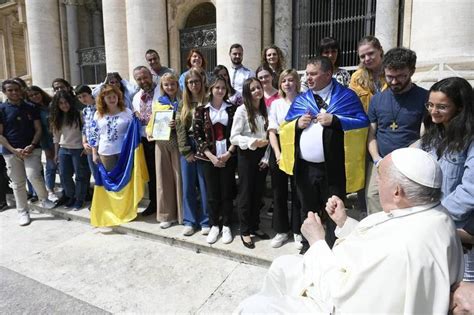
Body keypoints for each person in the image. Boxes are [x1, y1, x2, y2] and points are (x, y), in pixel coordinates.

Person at [236, 148, 464, 314]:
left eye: (380, 177)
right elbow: (376, 243)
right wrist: (345, 223)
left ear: (397, 191)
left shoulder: (403, 248)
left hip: (337, 302)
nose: (376, 182)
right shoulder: (434, 214)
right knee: (281, 266)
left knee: (252, 308)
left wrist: (317, 243)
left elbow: (341, 295)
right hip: (347, 280)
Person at [279, 56, 368, 252]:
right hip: (305, 169)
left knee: (334, 210)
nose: (307, 78)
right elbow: (284, 126)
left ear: (328, 74)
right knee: (308, 209)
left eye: (313, 74)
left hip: (333, 168)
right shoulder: (301, 99)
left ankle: (334, 247)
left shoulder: (347, 96)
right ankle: (310, 247)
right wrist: (296, 125)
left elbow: (363, 122)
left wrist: (336, 120)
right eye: (306, 74)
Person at [420, 77, 474, 281]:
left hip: (462, 231)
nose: (433, 111)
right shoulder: (434, 133)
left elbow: (470, 190)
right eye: (430, 105)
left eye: (442, 107)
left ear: (460, 108)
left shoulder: (469, 138)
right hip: (435, 227)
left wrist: (437, 214)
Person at [366, 47, 428, 214]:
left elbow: (425, 135)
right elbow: (371, 134)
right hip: (380, 161)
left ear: (412, 71)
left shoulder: (425, 98)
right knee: (373, 196)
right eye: (389, 77)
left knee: (405, 202)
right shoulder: (377, 99)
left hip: (409, 161)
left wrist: (405, 158)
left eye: (400, 76)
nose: (394, 82)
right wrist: (377, 158)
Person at [0, 80, 55, 226]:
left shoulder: (30, 107)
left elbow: (38, 129)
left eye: (16, 89)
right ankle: (23, 211)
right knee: (18, 183)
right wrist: (13, 150)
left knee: (34, 175)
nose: (14, 93)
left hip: (32, 149)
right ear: (5, 92)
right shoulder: (2, 109)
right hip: (11, 152)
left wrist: (32, 145)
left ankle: (44, 199)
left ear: (21, 90)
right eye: (10, 90)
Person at [89, 85, 146, 227]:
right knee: (110, 184)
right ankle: (112, 211)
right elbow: (94, 135)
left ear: (118, 97)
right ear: (103, 99)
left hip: (124, 154)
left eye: (114, 96)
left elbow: (135, 129)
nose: (112, 99)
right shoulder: (98, 114)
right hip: (105, 153)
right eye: (108, 97)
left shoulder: (127, 112)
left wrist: (138, 117)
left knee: (125, 183)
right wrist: (94, 153)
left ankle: (125, 210)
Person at [194, 75, 237, 244]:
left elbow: (236, 133)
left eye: (223, 88)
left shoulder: (232, 109)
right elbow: (197, 136)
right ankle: (214, 225)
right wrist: (211, 157)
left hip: (228, 156)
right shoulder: (201, 110)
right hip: (208, 158)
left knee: (227, 192)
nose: (220, 90)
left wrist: (228, 153)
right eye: (217, 87)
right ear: (211, 89)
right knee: (212, 194)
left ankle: (226, 225)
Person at [230, 77, 270, 249]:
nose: (257, 91)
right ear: (247, 92)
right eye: (252, 89)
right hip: (247, 155)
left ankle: (255, 225)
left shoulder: (265, 109)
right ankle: (245, 230)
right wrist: (253, 142)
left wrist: (266, 157)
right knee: (246, 193)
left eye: (258, 88)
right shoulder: (241, 110)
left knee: (258, 192)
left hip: (262, 155)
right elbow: (234, 137)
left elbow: (270, 136)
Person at [267, 69, 302, 249]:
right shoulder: (276, 105)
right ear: (279, 84)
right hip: (279, 149)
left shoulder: (304, 101)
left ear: (296, 82)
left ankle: (298, 230)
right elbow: (272, 131)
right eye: (283, 81)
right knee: (278, 192)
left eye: (290, 80)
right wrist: (278, 154)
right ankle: (281, 230)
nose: (287, 83)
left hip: (300, 150)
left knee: (298, 191)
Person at [145, 72, 183, 229]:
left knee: (179, 179)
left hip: (177, 144)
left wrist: (178, 124)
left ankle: (181, 215)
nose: (170, 87)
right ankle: (166, 215)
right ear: (162, 87)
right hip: (161, 144)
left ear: (177, 85)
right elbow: (151, 123)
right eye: (166, 85)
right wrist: (149, 132)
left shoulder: (183, 102)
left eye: (172, 84)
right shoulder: (158, 103)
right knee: (163, 180)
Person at [176, 68, 210, 236]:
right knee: (188, 184)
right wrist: (185, 151)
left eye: (196, 81)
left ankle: (206, 220)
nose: (194, 85)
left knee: (204, 185)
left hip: (205, 146)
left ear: (202, 82)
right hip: (189, 146)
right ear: (186, 84)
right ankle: (190, 221)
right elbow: (180, 128)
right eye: (190, 82)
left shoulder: (209, 100)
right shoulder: (183, 104)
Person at [50, 91, 88, 210]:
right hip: (63, 150)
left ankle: (79, 199)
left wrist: (85, 145)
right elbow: (56, 137)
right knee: (64, 175)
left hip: (78, 149)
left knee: (80, 175)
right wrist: (56, 153)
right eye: (61, 103)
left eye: (66, 102)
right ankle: (70, 196)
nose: (64, 105)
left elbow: (85, 131)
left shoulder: (79, 115)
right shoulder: (57, 117)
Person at [132, 66, 161, 216]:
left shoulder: (161, 90)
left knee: (163, 174)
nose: (143, 81)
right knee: (151, 174)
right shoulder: (137, 97)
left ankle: (166, 204)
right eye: (139, 79)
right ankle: (154, 203)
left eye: (145, 77)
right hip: (144, 141)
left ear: (151, 75)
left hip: (161, 140)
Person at [26, 86, 57, 201]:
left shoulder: (52, 104)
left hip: (60, 138)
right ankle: (50, 190)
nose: (35, 97)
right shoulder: (33, 109)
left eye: (36, 93)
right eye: (31, 96)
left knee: (61, 164)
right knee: (50, 164)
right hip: (45, 139)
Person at [349, 36, 387, 113]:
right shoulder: (356, 77)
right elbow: (351, 105)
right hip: (367, 122)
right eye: (362, 56)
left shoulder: (393, 73)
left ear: (380, 50)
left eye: (371, 53)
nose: (367, 59)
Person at [75, 85, 98, 182]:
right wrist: (84, 142)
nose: (82, 99)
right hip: (89, 146)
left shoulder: (99, 108)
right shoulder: (85, 110)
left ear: (90, 94)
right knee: (95, 174)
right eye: (79, 97)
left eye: (84, 95)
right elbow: (85, 128)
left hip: (100, 146)